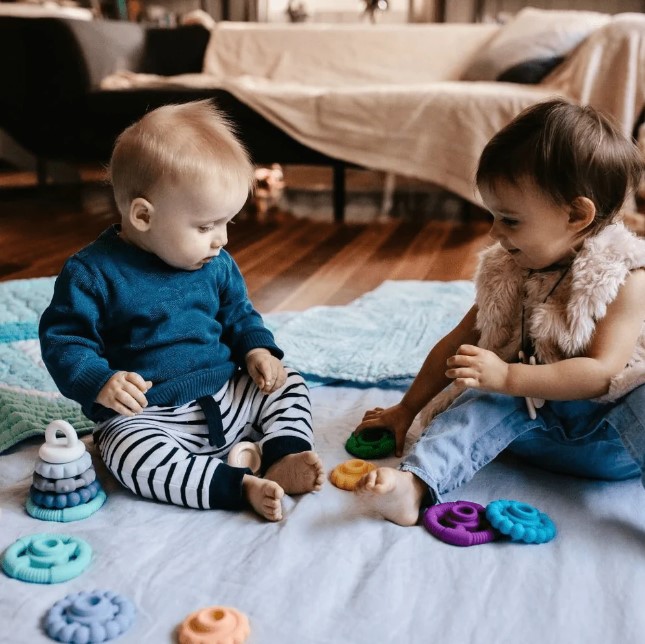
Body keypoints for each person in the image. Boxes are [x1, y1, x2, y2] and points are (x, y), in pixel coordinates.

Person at [353, 98, 645, 526]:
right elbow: (458, 344)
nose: (494, 232)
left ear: (576, 214)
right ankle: (415, 485)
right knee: (482, 392)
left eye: (510, 220)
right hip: (532, 429)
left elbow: (602, 373)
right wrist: (407, 407)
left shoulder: (624, 277)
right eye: (493, 216)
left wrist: (509, 375)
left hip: (612, 442)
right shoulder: (508, 270)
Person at [39, 100, 324, 522]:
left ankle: (283, 453)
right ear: (143, 215)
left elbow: (239, 313)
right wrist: (101, 382)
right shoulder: (92, 274)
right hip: (150, 416)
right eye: (206, 226)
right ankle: (234, 486)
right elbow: (64, 340)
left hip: (227, 393)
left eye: (227, 223)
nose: (221, 240)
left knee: (289, 382)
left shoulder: (215, 263)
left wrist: (257, 351)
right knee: (126, 452)